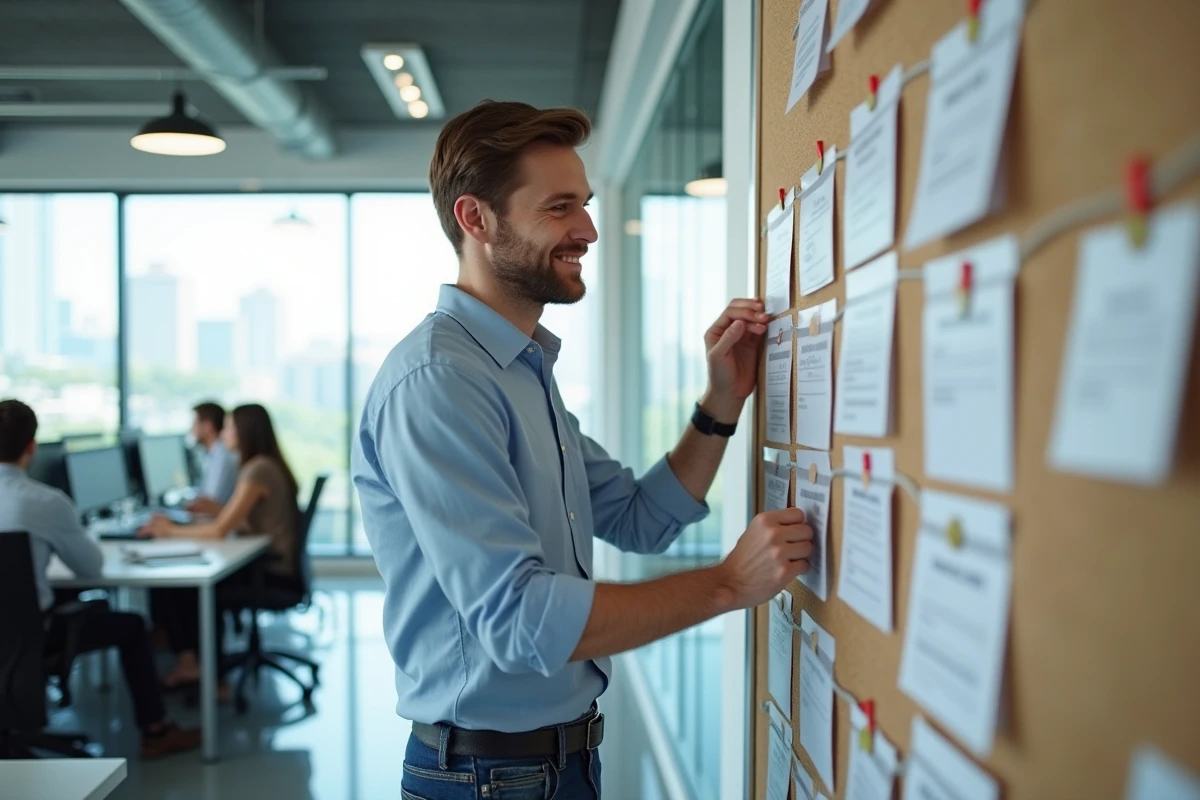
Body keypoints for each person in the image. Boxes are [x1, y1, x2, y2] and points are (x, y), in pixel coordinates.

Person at [351, 100, 814, 799]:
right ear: (476, 220)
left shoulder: (521, 371)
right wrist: (728, 584)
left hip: (556, 764)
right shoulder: (443, 381)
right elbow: (521, 622)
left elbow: (639, 517)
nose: (589, 230)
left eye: (586, 205)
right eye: (561, 208)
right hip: (487, 779)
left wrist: (723, 401)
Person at [0, 399, 201, 759]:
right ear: (32, 446)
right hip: (30, 634)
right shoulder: (44, 502)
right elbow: (90, 570)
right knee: (132, 625)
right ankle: (156, 731)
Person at [143, 403, 301, 691]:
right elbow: (241, 520)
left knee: (184, 587)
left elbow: (220, 530)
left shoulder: (257, 469)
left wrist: (170, 530)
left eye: (229, 427)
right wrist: (217, 509)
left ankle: (207, 675)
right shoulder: (266, 463)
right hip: (272, 564)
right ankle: (197, 666)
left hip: (271, 572)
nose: (224, 432)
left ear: (245, 432)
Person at [185, 401, 239, 515]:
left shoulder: (223, 457)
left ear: (207, 426)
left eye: (194, 423)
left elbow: (209, 504)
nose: (190, 429)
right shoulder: (212, 455)